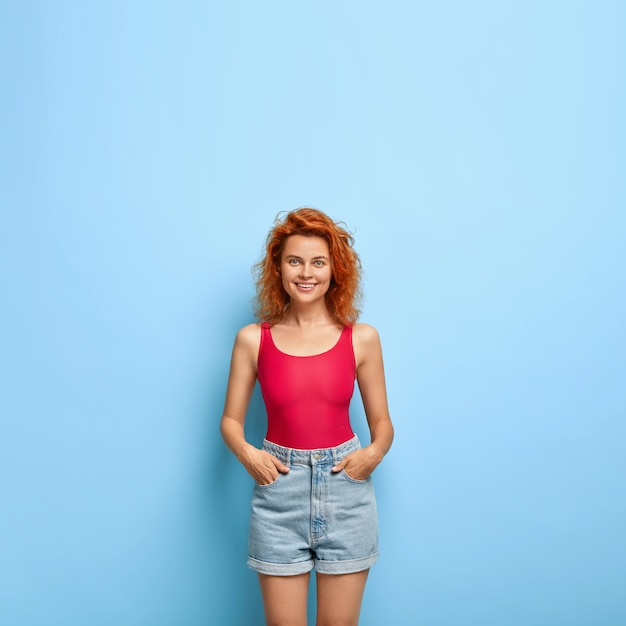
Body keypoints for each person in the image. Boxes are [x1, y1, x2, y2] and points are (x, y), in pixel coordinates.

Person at [220, 207, 393, 625]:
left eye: (318, 262)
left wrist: (371, 456)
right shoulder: (252, 340)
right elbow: (230, 421)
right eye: (294, 261)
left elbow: (383, 425)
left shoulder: (361, 338)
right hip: (279, 492)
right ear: (277, 267)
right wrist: (249, 455)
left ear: (335, 270)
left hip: (345, 489)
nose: (306, 273)